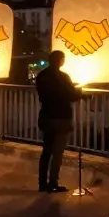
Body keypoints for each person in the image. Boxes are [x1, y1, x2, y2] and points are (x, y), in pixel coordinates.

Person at [36, 50, 82, 193]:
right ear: (60, 61)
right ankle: (53, 182)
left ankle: (42, 183)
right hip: (61, 118)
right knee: (57, 153)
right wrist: (80, 93)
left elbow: (43, 96)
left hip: (46, 117)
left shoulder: (41, 76)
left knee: (46, 151)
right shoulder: (63, 77)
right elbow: (72, 96)